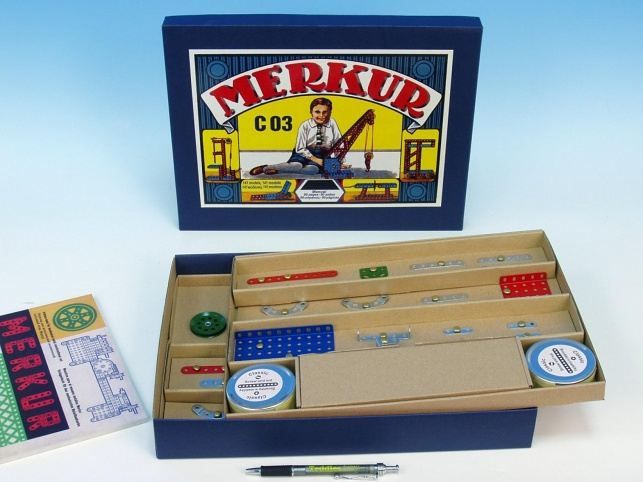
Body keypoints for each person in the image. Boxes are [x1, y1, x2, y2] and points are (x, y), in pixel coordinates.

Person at [250, 98, 343, 176]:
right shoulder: (305, 125)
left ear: (330, 112)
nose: (321, 115)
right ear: (311, 112)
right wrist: (315, 159)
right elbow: (300, 148)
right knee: (296, 165)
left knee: (312, 170)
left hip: (322, 155)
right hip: (303, 152)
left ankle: (279, 171)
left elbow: (339, 144)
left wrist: (338, 161)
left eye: (325, 112)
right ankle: (266, 167)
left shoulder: (332, 124)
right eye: (317, 112)